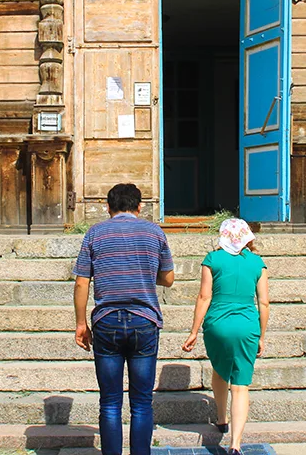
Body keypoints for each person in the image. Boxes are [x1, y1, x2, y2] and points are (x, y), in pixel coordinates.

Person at [73, 183, 176, 455]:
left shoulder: (95, 233)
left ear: (108, 207)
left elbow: (82, 283)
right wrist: (142, 274)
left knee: (109, 402)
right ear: (139, 206)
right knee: (142, 402)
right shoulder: (154, 231)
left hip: (106, 321)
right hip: (144, 320)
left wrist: (81, 324)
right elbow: (168, 278)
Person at [182, 218, 270, 455]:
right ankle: (235, 444)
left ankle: (221, 418)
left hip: (217, 325)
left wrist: (193, 332)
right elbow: (263, 302)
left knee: (220, 371)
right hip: (247, 326)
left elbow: (204, 297)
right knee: (240, 385)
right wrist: (261, 335)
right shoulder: (257, 263)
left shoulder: (212, 259)